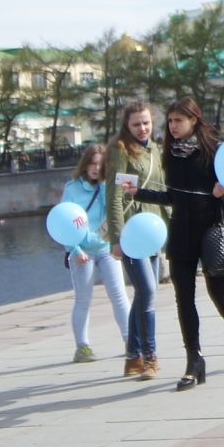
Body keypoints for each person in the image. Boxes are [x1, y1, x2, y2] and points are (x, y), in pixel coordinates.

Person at [122, 98, 224, 389]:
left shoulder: (212, 151)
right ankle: (195, 360)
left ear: (194, 120)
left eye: (178, 120)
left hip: (211, 233)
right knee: (184, 298)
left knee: (219, 293)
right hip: (180, 234)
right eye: (170, 121)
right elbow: (172, 197)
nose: (173, 126)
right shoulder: (171, 154)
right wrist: (138, 192)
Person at [106, 101, 163, 380]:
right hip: (131, 231)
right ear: (126, 126)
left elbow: (160, 191)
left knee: (144, 293)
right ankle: (151, 357)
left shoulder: (154, 149)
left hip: (153, 229)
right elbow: (115, 197)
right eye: (136, 124)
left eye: (146, 122)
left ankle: (132, 357)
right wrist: (116, 238)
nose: (142, 128)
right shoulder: (120, 151)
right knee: (149, 293)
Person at [60, 143, 129, 364]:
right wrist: (74, 250)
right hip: (82, 252)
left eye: (100, 164)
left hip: (106, 248)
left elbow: (119, 210)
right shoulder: (72, 188)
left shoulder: (107, 186)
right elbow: (63, 222)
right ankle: (82, 346)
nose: (95, 168)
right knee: (83, 300)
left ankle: (130, 340)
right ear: (85, 164)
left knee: (119, 296)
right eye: (92, 163)